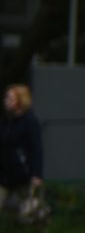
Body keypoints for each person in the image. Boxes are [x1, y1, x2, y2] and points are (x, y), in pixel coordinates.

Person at [1, 83, 45, 226]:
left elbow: (36, 149)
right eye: (6, 98)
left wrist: (36, 174)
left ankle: (41, 222)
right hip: (4, 175)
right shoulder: (6, 122)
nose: (6, 101)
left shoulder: (30, 122)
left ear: (20, 101)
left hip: (23, 175)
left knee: (28, 215)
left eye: (10, 98)